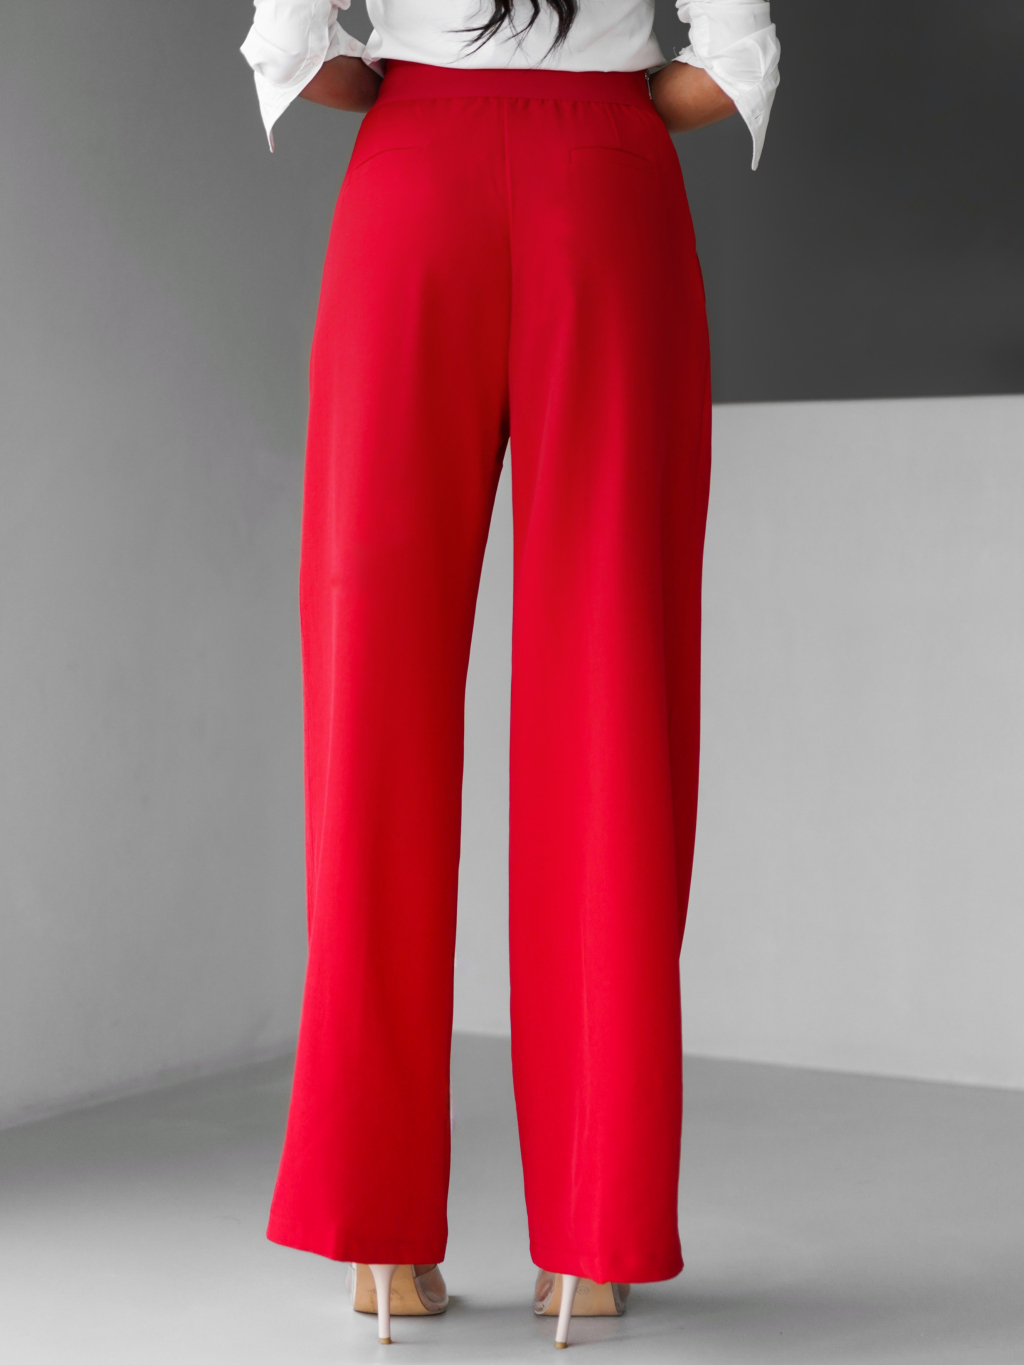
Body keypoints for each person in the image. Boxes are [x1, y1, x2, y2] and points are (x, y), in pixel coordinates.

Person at [240, 0, 779, 1349]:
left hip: (409, 189)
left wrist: (435, 93)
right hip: (609, 194)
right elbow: (731, 68)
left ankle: (376, 1236)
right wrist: (599, 102)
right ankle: (592, 1240)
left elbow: (298, 51)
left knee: (370, 699)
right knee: (614, 689)